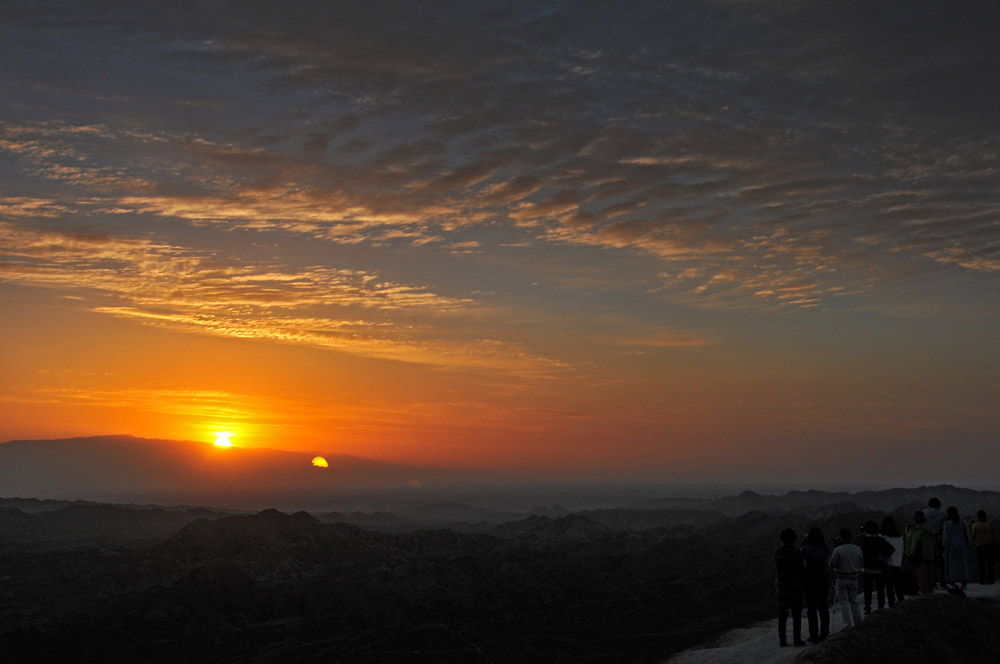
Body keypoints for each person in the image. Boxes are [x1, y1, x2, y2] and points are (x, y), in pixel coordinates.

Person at [775, 528, 806, 647]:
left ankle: (782, 639)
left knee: (782, 614)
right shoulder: (797, 554)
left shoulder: (778, 552)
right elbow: (801, 570)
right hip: (795, 588)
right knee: (796, 614)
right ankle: (797, 640)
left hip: (782, 587)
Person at [829, 527, 863, 629]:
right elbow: (862, 562)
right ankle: (858, 622)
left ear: (841, 537)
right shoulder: (857, 549)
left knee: (843, 602)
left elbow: (832, 563)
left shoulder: (838, 550)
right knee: (854, 600)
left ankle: (847, 624)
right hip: (854, 577)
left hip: (841, 578)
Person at [800, 527, 830, 643]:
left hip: (809, 581)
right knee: (823, 607)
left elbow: (799, 557)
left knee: (811, 609)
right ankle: (825, 633)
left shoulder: (806, 549)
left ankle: (813, 635)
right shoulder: (824, 549)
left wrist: (803, 543)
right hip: (822, 580)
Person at [859, 520, 894, 613]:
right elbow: (891, 549)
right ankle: (881, 606)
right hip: (878, 567)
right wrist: (882, 555)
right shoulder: (880, 540)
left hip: (866, 568)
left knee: (868, 589)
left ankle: (867, 608)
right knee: (880, 588)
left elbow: (856, 543)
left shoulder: (863, 539)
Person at [905, 510, 936, 594]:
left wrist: (909, 554)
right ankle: (930, 589)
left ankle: (924, 590)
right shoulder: (929, 528)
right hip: (930, 553)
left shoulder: (915, 530)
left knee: (922, 574)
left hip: (920, 554)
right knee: (930, 572)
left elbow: (912, 543)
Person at [942, 506, 971, 595]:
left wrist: (943, 546)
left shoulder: (946, 524)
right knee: (963, 564)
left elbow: (945, 537)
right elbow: (967, 534)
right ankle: (964, 582)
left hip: (951, 547)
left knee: (951, 565)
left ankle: (953, 584)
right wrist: (969, 544)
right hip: (962, 546)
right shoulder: (963, 523)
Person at [880, 516, 904, 606]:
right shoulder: (899, 536)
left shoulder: (883, 536)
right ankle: (900, 599)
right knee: (898, 582)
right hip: (898, 561)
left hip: (887, 562)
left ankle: (891, 602)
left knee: (888, 584)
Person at [924, 497, 947, 588]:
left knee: (929, 562)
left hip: (927, 539)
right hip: (939, 539)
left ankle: (931, 582)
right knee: (941, 562)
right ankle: (943, 582)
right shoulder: (943, 514)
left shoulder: (924, 513)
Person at [970, 510, 996, 585]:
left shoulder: (975, 525)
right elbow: (992, 534)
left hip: (979, 545)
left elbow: (973, 535)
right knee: (990, 563)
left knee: (981, 564)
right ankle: (990, 579)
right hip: (988, 545)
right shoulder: (988, 524)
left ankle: (982, 580)